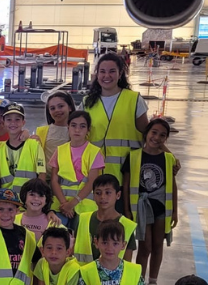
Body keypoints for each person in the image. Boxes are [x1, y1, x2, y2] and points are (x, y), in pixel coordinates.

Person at [123, 118, 179, 285]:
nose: (157, 137)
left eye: (162, 135)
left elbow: (173, 185)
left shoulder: (168, 159)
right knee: (145, 246)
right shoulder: (133, 156)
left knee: (157, 245)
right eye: (154, 132)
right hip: (141, 208)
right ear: (146, 133)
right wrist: (127, 210)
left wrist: (175, 211)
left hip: (161, 207)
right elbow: (125, 186)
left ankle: (153, 283)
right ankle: (139, 284)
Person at [82, 52, 149, 182]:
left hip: (127, 174)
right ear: (97, 74)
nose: (107, 76)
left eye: (112, 71)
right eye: (102, 71)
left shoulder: (134, 100)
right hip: (95, 176)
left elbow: (149, 135)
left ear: (120, 74)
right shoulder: (87, 102)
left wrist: (167, 156)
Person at [70, 174, 137, 264]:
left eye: (108, 192)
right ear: (93, 195)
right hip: (83, 276)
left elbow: (127, 264)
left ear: (118, 195)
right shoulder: (82, 219)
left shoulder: (127, 225)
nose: (103, 197)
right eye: (98, 193)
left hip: (112, 278)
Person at [50, 111, 103, 224]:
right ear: (68, 127)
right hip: (60, 207)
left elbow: (92, 182)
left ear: (88, 130)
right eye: (73, 125)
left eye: (82, 126)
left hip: (84, 208)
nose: (77, 130)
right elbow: (54, 180)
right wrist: (64, 204)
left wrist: (71, 204)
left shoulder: (95, 152)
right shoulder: (60, 150)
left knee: (83, 239)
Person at [0, 103, 45, 194]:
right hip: (6, 200)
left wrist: (37, 196)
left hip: (28, 200)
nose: (13, 123)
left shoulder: (34, 145)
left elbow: (42, 174)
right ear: (3, 123)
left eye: (17, 119)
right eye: (9, 119)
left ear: (23, 122)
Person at [35, 91, 75, 175]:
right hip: (45, 179)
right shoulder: (41, 131)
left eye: (60, 106)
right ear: (49, 111)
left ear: (70, 107)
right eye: (52, 108)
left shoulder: (78, 131)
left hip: (69, 180)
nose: (57, 110)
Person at [17, 179, 61, 244]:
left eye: (41, 196)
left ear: (46, 200)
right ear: (24, 196)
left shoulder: (54, 222)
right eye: (32, 195)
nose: (36, 199)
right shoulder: (13, 219)